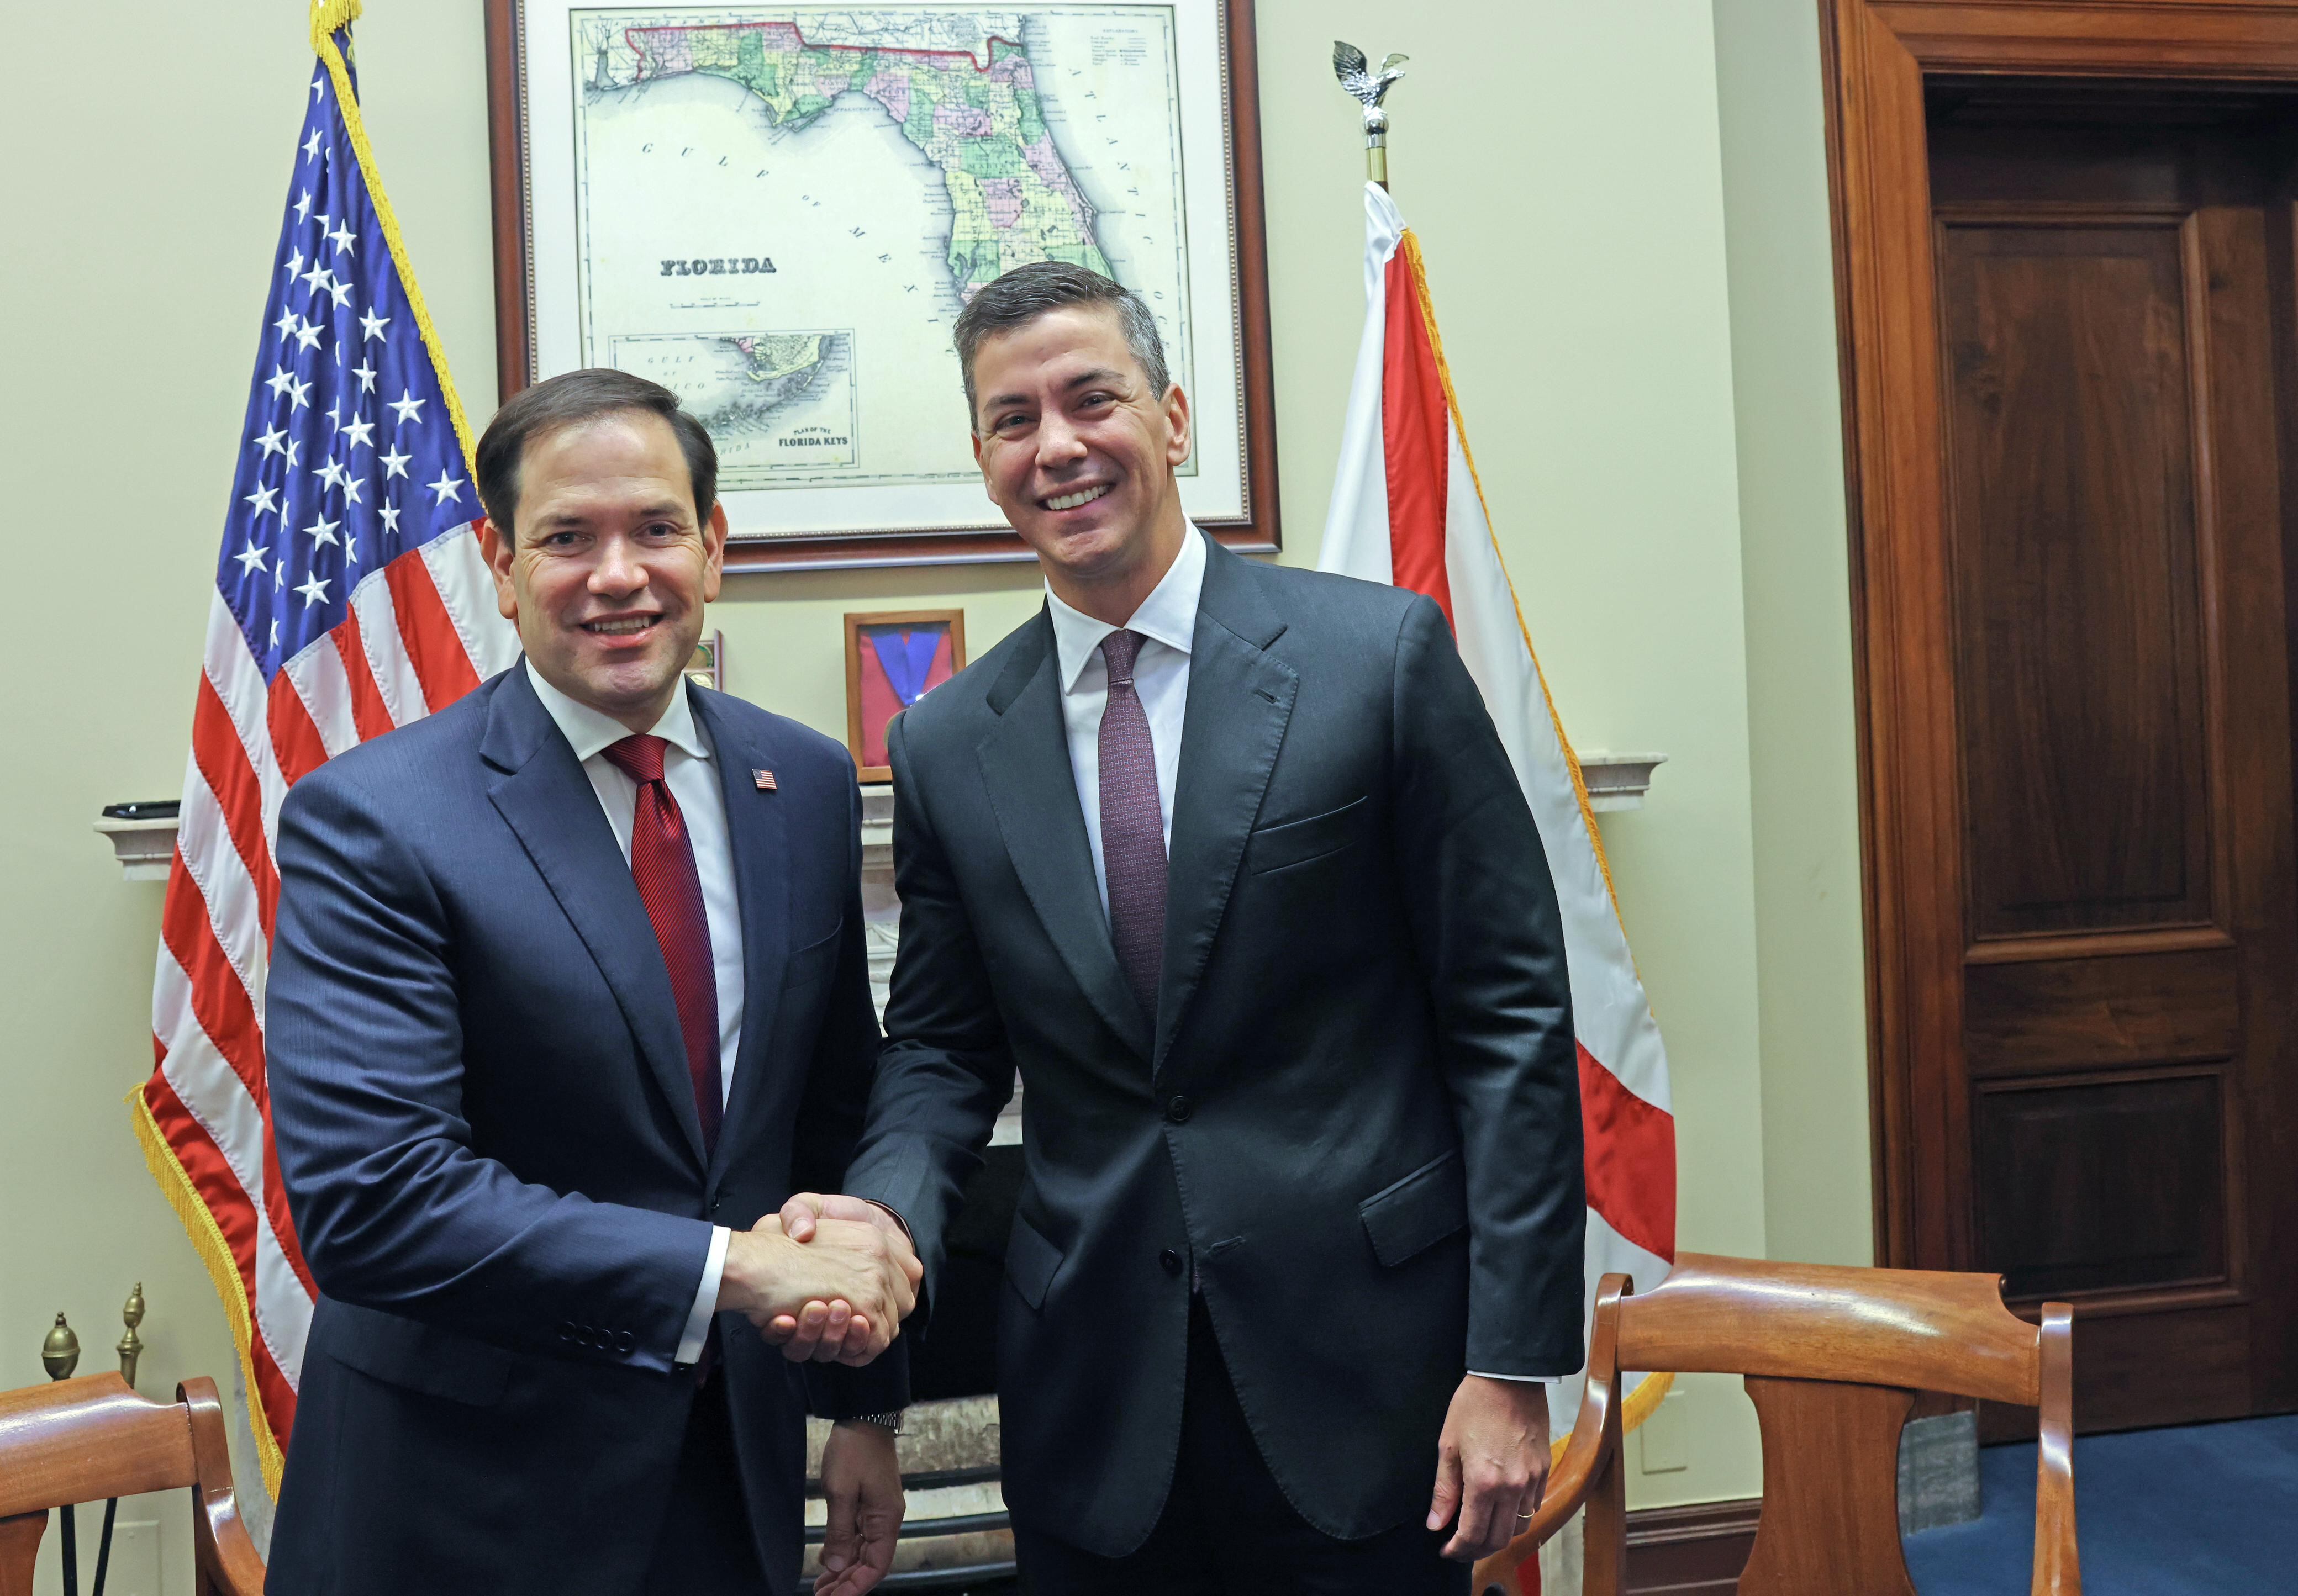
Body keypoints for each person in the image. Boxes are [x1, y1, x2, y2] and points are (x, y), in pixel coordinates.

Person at [776, 264, 1587, 1592]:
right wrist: (880, 1226)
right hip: (1091, 1391)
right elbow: (937, 1053)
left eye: (1091, 398)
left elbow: (1507, 1021)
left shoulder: (1375, 660)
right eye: (1012, 418)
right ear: (983, 460)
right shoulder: (945, 743)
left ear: (1172, 417)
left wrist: (1509, 1357)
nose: (1058, 445)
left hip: (1371, 1373)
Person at [265, 369, 920, 1596]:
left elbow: (828, 1120)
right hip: (463, 1505)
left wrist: (865, 1405)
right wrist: (732, 1268)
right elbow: (375, 1201)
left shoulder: (807, 781)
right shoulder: (376, 821)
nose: (617, 574)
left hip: (732, 1479)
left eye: (656, 529)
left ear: (713, 550)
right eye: (568, 537)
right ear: (504, 570)